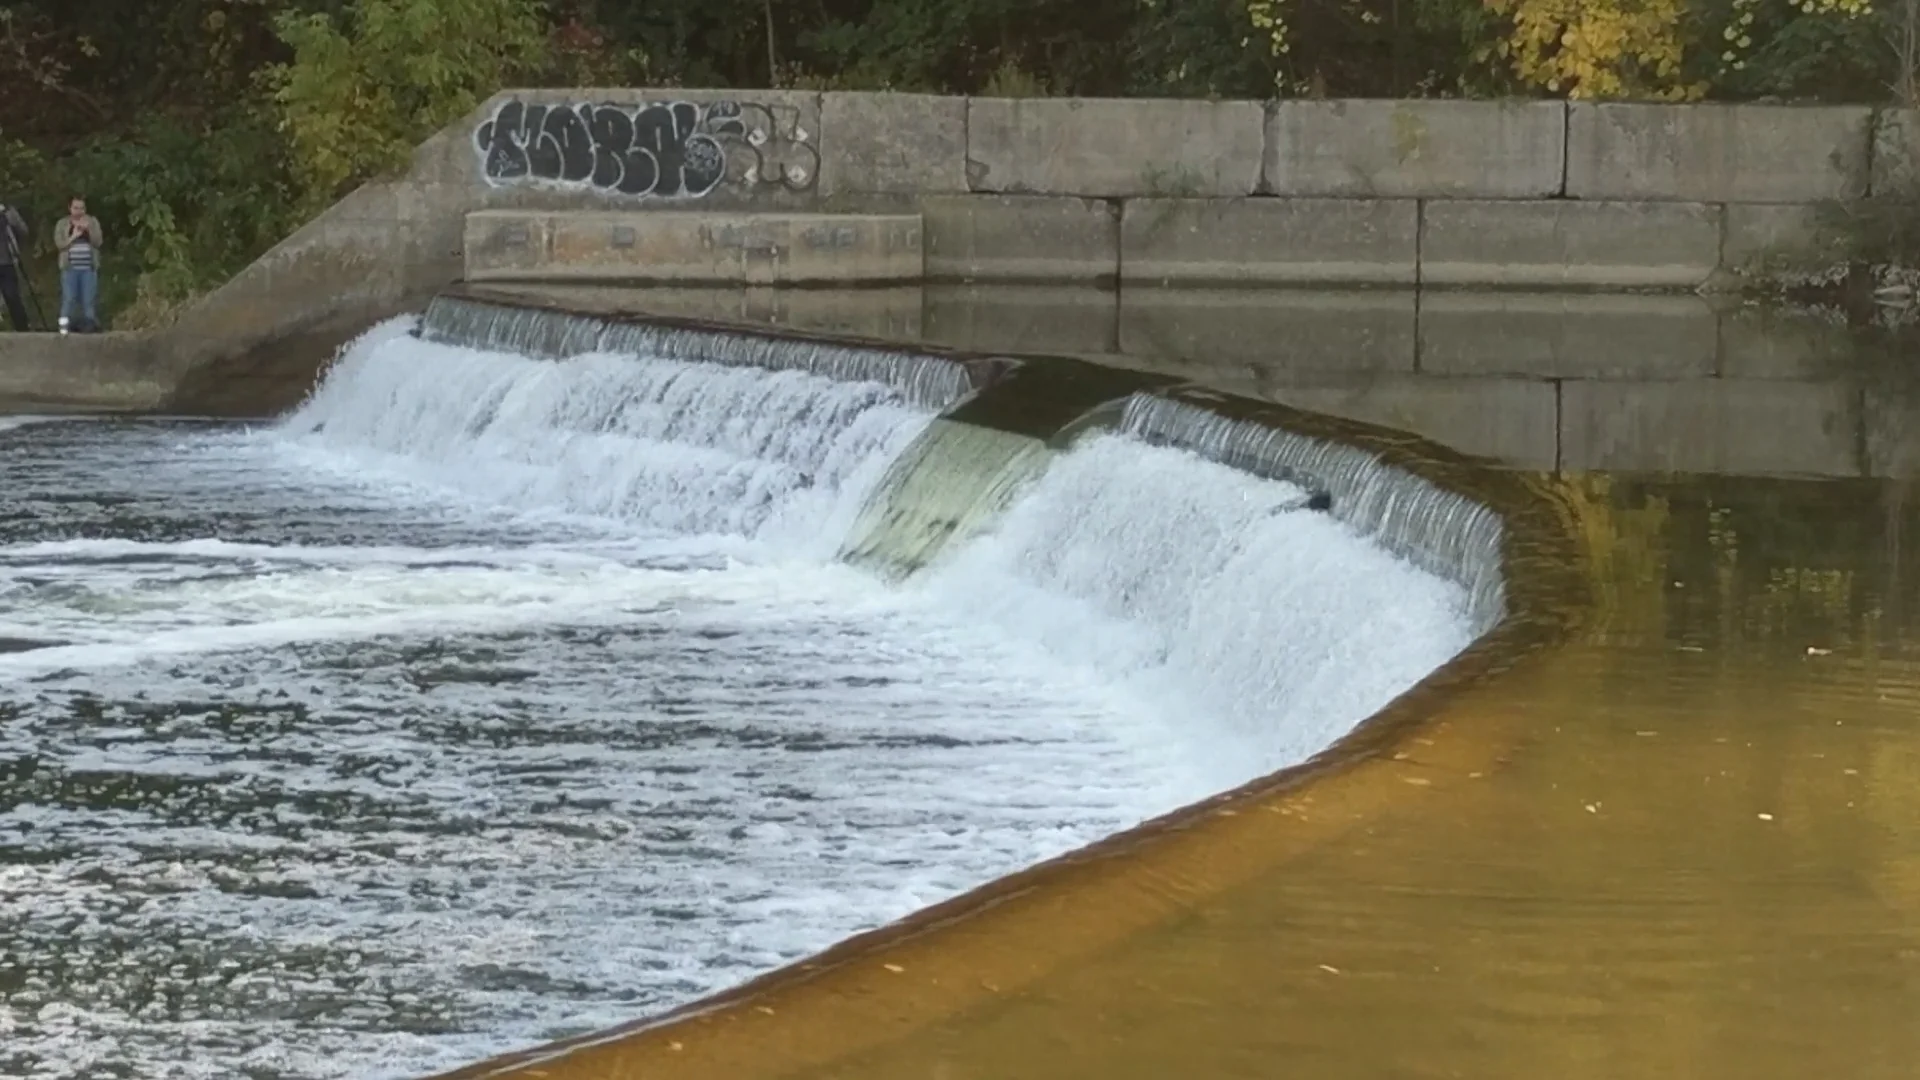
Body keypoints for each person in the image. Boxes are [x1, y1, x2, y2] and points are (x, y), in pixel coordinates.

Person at [53, 196, 102, 333]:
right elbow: (60, 244)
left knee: (88, 300)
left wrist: (88, 231)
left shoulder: (92, 222)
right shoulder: (62, 224)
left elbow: (98, 242)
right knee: (69, 299)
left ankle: (89, 327)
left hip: (88, 269)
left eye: (82, 208)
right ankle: (64, 328)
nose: (79, 211)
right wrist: (73, 236)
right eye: (76, 208)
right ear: (70, 208)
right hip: (70, 268)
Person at [0, 199, 29, 331]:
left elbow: (23, 231)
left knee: (12, 296)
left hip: (7, 262)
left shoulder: (7, 210)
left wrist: (11, 220)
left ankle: (22, 328)